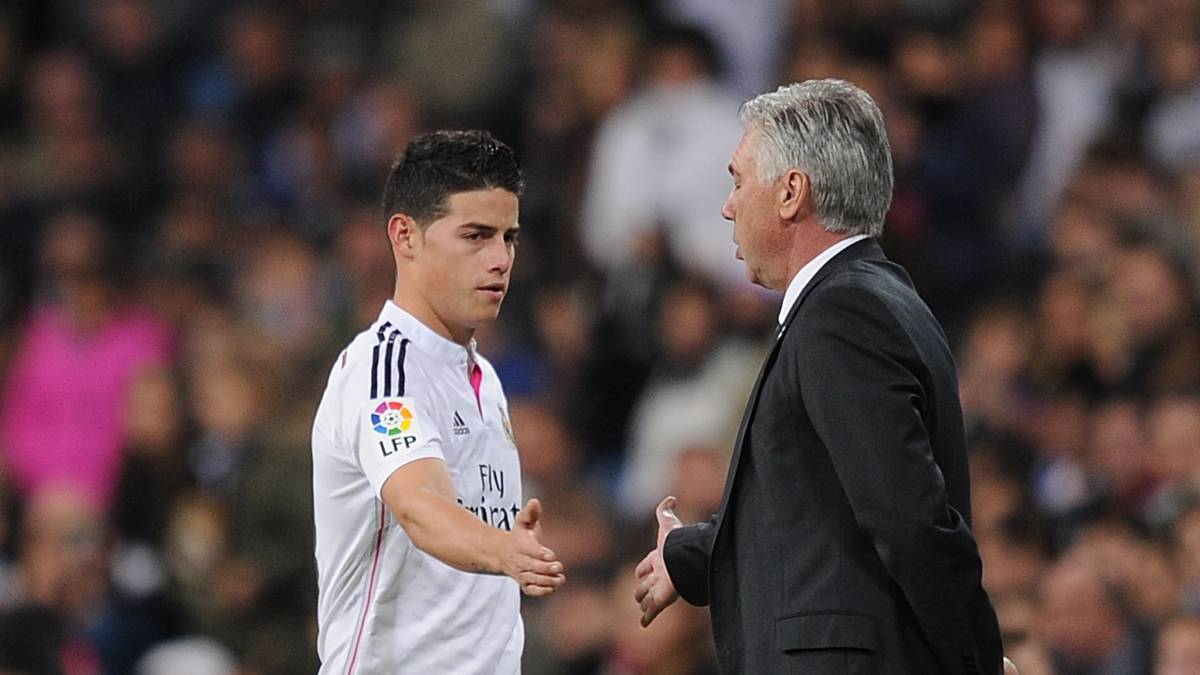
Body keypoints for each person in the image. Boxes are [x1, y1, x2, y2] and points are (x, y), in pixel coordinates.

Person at [633, 79, 1010, 673]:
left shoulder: (843, 315)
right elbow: (824, 509)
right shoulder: (872, 301)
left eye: (737, 180)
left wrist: (980, 662)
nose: (727, 206)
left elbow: (908, 519)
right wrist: (692, 554)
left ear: (791, 193)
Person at [311, 130, 565, 674]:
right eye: (475, 235)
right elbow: (421, 507)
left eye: (509, 237)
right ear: (405, 236)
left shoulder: (485, 379)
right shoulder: (383, 375)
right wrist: (503, 552)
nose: (500, 259)